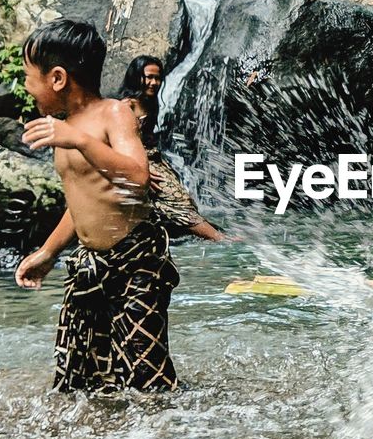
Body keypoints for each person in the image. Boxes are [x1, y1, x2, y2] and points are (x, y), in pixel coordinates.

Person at [14, 20, 181, 393]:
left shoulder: (115, 113)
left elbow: (137, 178)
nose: (26, 87)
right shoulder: (63, 129)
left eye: (29, 77)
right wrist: (48, 253)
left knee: (145, 369)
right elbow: (82, 203)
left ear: (57, 78)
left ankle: (167, 437)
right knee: (78, 371)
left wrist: (79, 140)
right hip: (90, 263)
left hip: (137, 261)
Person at [116, 53, 225, 242]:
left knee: (183, 198)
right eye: (148, 77)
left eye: (157, 78)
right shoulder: (126, 106)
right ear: (137, 77)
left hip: (155, 159)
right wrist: (137, 172)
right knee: (175, 198)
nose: (154, 82)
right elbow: (115, 143)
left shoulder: (151, 102)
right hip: (137, 162)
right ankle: (219, 238)